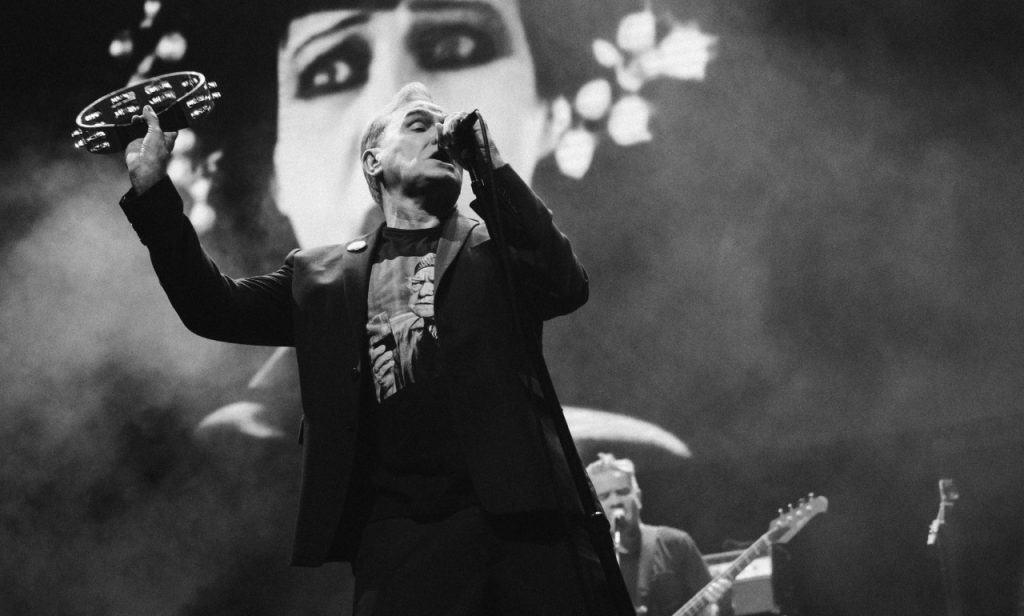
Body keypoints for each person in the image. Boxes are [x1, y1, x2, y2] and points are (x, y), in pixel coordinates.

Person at [118, 81, 629, 614]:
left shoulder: (497, 247)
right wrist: (153, 192)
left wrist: (492, 163)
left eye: (444, 127)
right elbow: (211, 308)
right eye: (418, 124)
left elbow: (565, 285)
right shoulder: (321, 275)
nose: (440, 135)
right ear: (373, 161)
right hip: (403, 543)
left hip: (532, 528)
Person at [586, 453, 735, 616]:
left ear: (638, 497)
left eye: (622, 492)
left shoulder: (676, 543)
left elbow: (710, 610)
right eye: (604, 496)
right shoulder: (590, 563)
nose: (615, 501)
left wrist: (715, 605)